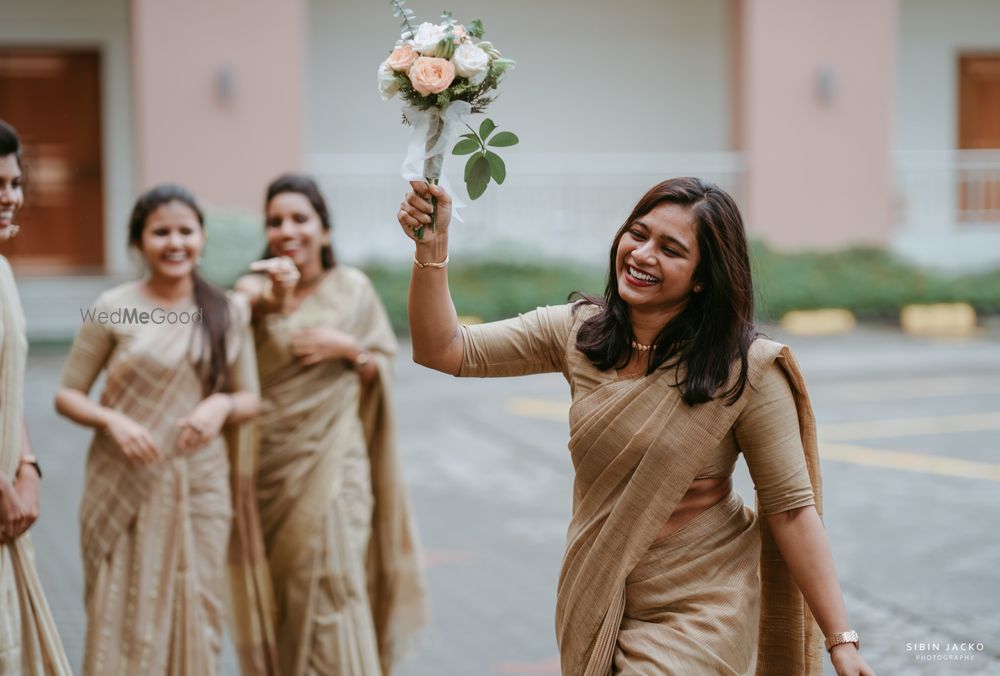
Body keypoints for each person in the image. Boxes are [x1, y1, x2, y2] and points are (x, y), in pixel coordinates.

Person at [397, 177, 876, 676]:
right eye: (638, 234)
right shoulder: (579, 332)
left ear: (702, 278)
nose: (643, 255)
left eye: (670, 249)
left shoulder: (746, 370)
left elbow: (792, 511)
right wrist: (432, 247)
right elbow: (444, 349)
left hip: (704, 598)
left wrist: (840, 639)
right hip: (599, 588)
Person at [55, 184, 277, 675]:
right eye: (161, 232)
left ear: (201, 237)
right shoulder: (113, 307)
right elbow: (67, 394)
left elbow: (250, 397)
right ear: (138, 242)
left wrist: (219, 405)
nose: (174, 242)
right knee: (120, 612)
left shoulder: (226, 311)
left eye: (185, 230)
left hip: (200, 484)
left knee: (197, 608)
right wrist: (111, 420)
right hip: (122, 480)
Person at [235, 174, 426, 675]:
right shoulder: (254, 292)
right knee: (283, 596)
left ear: (324, 230)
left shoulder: (352, 290)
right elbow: (229, 331)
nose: (287, 230)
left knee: (335, 589)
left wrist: (351, 350)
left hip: (337, 468)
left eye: (300, 219)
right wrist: (266, 298)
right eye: (275, 221)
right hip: (271, 470)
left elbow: (382, 365)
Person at [0, 119, 73, 675]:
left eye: (15, 183)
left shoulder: (2, 269)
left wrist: (28, 467)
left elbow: (8, 384)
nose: (9, 198)